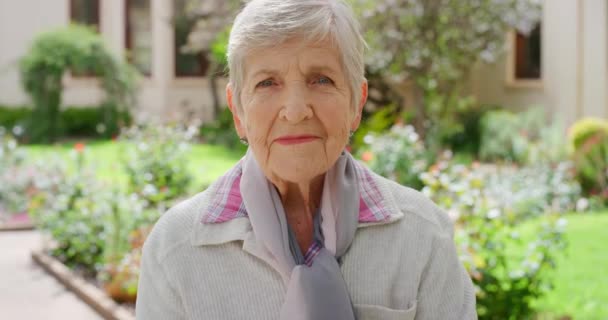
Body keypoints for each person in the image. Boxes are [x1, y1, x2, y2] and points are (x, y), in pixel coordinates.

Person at [135, 0, 477, 319]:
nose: (296, 111)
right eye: (268, 83)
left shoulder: (422, 236)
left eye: (321, 80)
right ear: (238, 110)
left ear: (356, 103)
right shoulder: (176, 249)